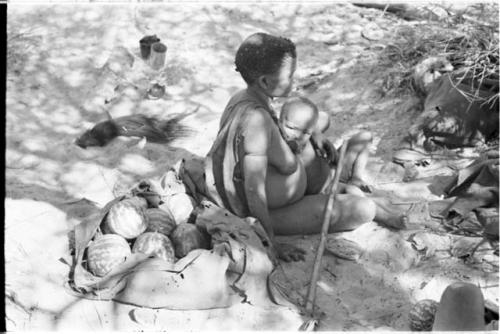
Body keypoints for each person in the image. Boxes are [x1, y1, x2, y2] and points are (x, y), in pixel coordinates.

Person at [185, 32, 406, 262]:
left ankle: (341, 187)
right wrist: (269, 242)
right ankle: (356, 197)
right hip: (269, 212)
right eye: (289, 76)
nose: (294, 81)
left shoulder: (247, 98)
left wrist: (316, 134)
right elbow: (254, 192)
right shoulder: (256, 124)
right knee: (364, 210)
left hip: (289, 190)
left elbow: (313, 120)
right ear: (264, 81)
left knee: (316, 124)